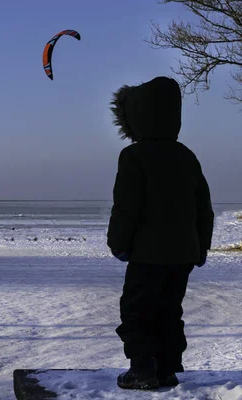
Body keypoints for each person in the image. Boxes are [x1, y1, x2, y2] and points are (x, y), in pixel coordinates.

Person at [107, 76, 214, 390]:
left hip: (147, 255)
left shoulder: (134, 157)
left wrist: (118, 243)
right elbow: (203, 208)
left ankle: (142, 370)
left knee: (137, 311)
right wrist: (200, 247)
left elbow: (126, 206)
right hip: (182, 255)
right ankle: (166, 369)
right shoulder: (186, 157)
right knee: (169, 310)